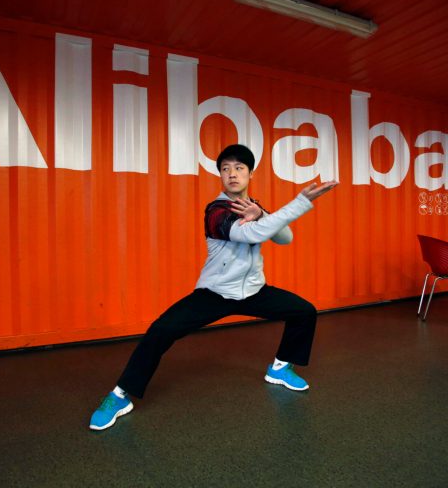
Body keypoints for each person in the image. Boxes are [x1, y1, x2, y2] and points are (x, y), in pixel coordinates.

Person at [89, 144, 338, 431]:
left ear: (250, 174)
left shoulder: (252, 206)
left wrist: (262, 214)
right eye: (225, 169)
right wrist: (299, 203)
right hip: (216, 293)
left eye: (239, 168)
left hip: (253, 291)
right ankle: (120, 395)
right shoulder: (216, 211)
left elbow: (284, 238)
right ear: (220, 175)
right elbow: (252, 234)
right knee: (161, 330)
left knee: (304, 312)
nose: (232, 173)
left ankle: (281, 367)